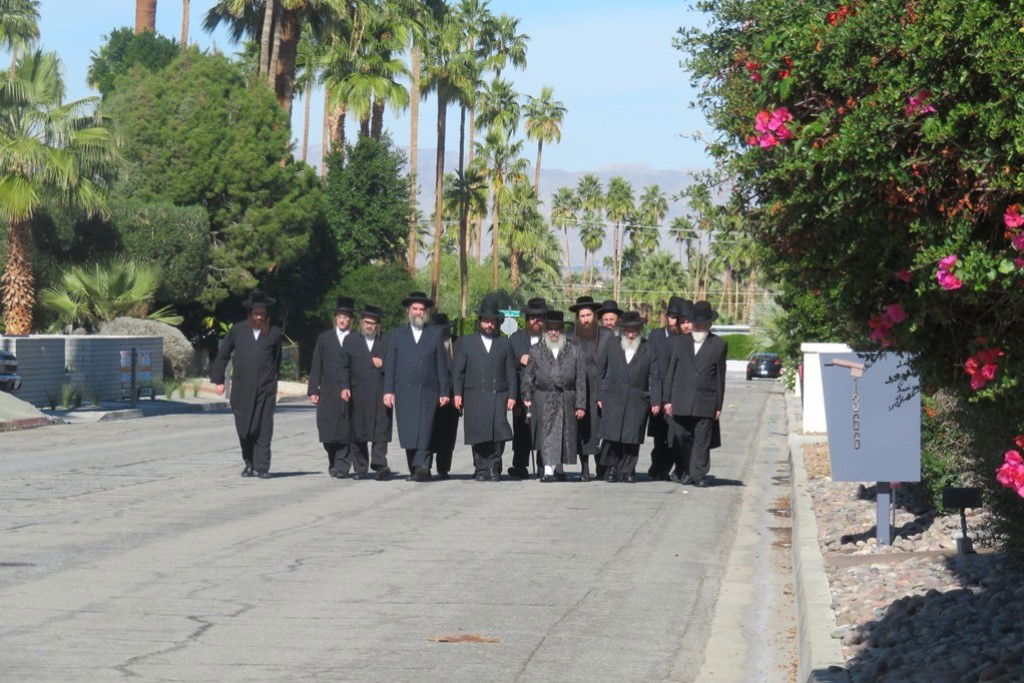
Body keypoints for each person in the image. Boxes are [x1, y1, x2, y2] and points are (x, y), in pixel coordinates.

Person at [210, 289, 283, 479]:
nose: (259, 318)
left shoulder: (274, 333)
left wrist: (275, 383)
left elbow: (277, 361)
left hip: (266, 389)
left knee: (264, 428)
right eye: (256, 314)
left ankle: (262, 467)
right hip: (242, 389)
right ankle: (249, 462)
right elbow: (223, 354)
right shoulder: (238, 330)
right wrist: (218, 380)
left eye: (263, 315)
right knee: (245, 429)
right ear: (250, 315)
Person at [383, 292, 451, 482]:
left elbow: (441, 364)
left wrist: (444, 391)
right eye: (415, 309)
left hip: (429, 389)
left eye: (422, 309)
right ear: (408, 311)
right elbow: (390, 364)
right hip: (404, 390)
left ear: (426, 312)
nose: (418, 312)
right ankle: (415, 467)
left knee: (426, 428)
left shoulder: (435, 334)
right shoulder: (397, 335)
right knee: (409, 430)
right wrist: (388, 391)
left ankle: (422, 465)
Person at [662, 301, 727, 487]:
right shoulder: (679, 342)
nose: (699, 327)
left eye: (703, 324)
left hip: (706, 400)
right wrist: (667, 399)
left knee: (702, 440)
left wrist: (718, 406)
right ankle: (688, 469)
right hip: (680, 400)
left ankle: (699, 474)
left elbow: (720, 377)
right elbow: (671, 372)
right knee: (682, 437)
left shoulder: (719, 345)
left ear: (709, 325)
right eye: (696, 324)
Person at [453, 301, 517, 481]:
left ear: (497, 322)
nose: (489, 325)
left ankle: (495, 467)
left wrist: (512, 395)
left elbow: (511, 372)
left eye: (493, 321)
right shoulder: (467, 342)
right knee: (478, 432)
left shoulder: (504, 343)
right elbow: (459, 370)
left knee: (499, 431)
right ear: (480, 321)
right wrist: (457, 394)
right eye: (486, 321)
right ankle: (481, 468)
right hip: (474, 394)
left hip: (499, 394)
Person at [596, 311, 661, 482]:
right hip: (613, 397)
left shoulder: (649, 348)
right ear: (622, 330)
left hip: (637, 399)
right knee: (612, 436)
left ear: (640, 330)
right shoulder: (611, 344)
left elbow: (654, 376)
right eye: (628, 330)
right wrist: (599, 395)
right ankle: (611, 469)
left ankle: (628, 470)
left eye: (635, 330)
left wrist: (655, 399)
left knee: (632, 438)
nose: (631, 334)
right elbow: (600, 371)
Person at [522, 310, 586, 482]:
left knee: (565, 433)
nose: (553, 332)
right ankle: (548, 471)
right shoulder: (536, 350)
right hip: (544, 396)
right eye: (550, 329)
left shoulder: (574, 349)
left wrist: (581, 405)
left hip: (567, 397)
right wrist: (526, 394)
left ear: (562, 330)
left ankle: (559, 468)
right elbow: (529, 376)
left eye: (557, 329)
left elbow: (580, 379)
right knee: (548, 433)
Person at [341, 304, 393, 481]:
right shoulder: (350, 341)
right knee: (358, 431)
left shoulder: (386, 341)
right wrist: (344, 386)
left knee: (381, 430)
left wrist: (383, 363)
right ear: (361, 323)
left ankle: (379, 465)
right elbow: (343, 366)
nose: (369, 326)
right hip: (358, 392)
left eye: (373, 323)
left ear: (378, 325)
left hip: (380, 392)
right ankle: (360, 468)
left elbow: (394, 364)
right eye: (366, 322)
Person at [307, 297, 355, 478]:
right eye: (340, 316)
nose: (343, 320)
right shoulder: (324, 338)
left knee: (346, 429)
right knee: (327, 431)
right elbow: (316, 364)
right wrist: (313, 389)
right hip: (327, 391)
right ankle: (333, 459)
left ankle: (343, 465)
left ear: (351, 320)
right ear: (335, 318)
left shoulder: (356, 339)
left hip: (349, 391)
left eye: (346, 317)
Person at [566, 295, 613, 481]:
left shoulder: (607, 336)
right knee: (581, 432)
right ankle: (584, 468)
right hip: (578, 391)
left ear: (594, 316)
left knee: (601, 430)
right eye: (582, 316)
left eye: (588, 315)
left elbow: (612, 365)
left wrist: (605, 392)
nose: (585, 319)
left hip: (600, 389)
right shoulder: (570, 336)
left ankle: (603, 466)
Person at [647, 297, 689, 481]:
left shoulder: (684, 339)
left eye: (677, 318)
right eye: (672, 317)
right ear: (666, 317)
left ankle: (676, 467)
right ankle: (657, 467)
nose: (674, 321)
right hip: (657, 393)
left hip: (677, 395)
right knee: (659, 436)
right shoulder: (655, 335)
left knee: (675, 436)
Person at [507, 297, 548, 479]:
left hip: (544, 392)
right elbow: (507, 366)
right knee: (521, 429)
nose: (535, 321)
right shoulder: (516, 339)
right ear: (527, 319)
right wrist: (519, 360)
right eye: (532, 317)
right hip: (521, 394)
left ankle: (543, 464)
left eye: (539, 318)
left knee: (543, 429)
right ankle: (520, 465)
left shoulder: (550, 339)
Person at [429, 312, 459, 479]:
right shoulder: (427, 345)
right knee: (428, 433)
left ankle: (443, 467)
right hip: (430, 397)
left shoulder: (457, 344)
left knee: (448, 435)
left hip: (452, 396)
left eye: (444, 332)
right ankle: (424, 465)